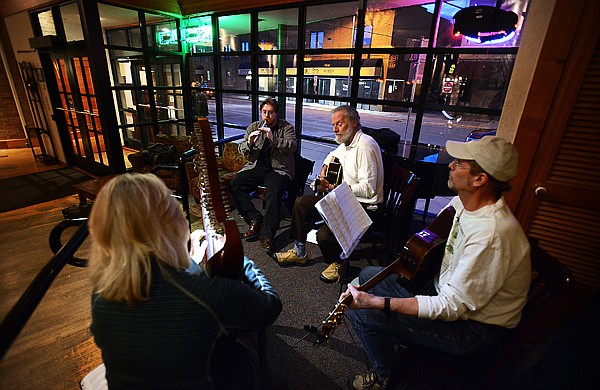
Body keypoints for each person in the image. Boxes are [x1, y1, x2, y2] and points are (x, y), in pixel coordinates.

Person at [341, 136, 531, 390]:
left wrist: (376, 303)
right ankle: (393, 341)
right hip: (444, 289)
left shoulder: (492, 234)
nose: (450, 166)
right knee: (367, 274)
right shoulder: (465, 204)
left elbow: (452, 306)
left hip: (473, 329)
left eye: (459, 163)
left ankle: (384, 376)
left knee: (363, 314)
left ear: (479, 179)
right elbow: (437, 233)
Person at [88, 173, 282, 390]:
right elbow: (270, 306)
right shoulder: (208, 294)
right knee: (248, 332)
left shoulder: (101, 291)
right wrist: (241, 258)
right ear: (170, 221)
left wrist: (188, 260)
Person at [273, 105, 384, 283]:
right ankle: (299, 251)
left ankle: (339, 263)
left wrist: (334, 188)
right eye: (333, 125)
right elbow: (333, 154)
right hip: (346, 198)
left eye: (339, 124)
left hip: (366, 207)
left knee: (323, 235)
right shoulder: (348, 143)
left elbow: (368, 189)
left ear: (354, 122)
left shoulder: (365, 146)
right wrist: (326, 165)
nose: (335, 129)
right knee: (301, 203)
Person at [229, 97, 297, 253]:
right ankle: (254, 218)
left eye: (271, 112)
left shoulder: (286, 127)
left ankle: (267, 235)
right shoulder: (254, 127)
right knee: (235, 184)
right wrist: (250, 143)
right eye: (264, 112)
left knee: (274, 192)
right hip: (257, 167)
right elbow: (242, 150)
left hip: (278, 169)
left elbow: (292, 146)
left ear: (276, 113)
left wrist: (273, 139)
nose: (267, 116)